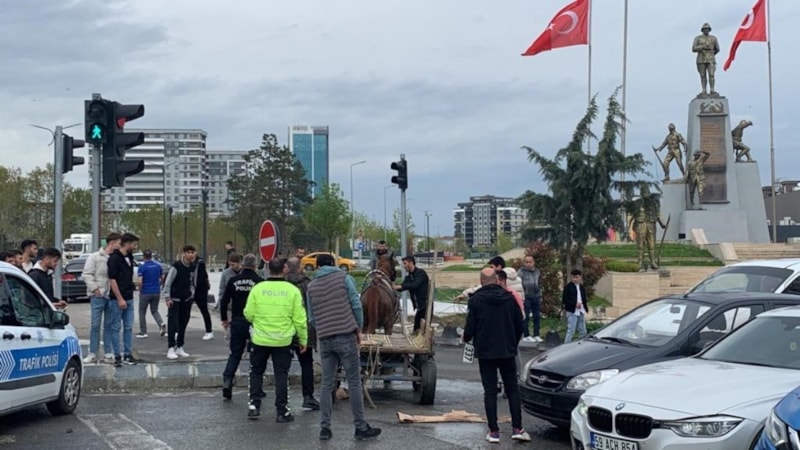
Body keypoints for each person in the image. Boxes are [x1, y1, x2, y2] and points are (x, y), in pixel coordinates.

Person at [307, 253, 381, 441]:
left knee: (327, 384)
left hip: (325, 339)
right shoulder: (344, 278)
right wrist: (358, 328)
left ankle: (325, 428)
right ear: (334, 264)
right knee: (354, 382)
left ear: (317, 267)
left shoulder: (311, 286)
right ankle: (360, 427)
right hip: (346, 335)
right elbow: (356, 305)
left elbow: (312, 318)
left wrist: (323, 329)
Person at [462, 268, 529, 444]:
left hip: (485, 352)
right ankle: (517, 429)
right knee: (512, 389)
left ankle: (493, 432)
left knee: (490, 391)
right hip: (507, 350)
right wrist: (512, 343)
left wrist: (466, 338)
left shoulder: (475, 300)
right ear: (496, 279)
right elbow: (520, 325)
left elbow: (470, 327)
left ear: (481, 281)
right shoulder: (509, 298)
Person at [244, 258, 307, 422]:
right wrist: (303, 339)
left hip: (260, 338)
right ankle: (282, 411)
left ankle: (254, 406)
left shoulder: (258, 288)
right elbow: (300, 319)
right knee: (281, 375)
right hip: (283, 340)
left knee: (256, 371)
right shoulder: (292, 290)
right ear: (284, 269)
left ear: (268, 269)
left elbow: (248, 313)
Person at [220, 254, 263, 400]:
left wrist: (224, 319)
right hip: (255, 322)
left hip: (237, 321)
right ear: (255, 266)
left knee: (235, 353)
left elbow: (224, 301)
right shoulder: (259, 282)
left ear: (243, 265)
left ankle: (228, 379)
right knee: (256, 355)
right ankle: (256, 387)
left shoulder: (234, 280)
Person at [286, 255, 320, 410]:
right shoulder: (308, 284)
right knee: (306, 365)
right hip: (305, 329)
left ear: (287, 268)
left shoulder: (283, 284)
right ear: (300, 267)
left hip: (285, 329)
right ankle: (308, 397)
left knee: (282, 366)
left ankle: (282, 399)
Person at [82, 233, 122, 364]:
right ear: (112, 242)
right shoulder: (95, 257)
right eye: (119, 243)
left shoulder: (116, 258)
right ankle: (92, 352)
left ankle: (108, 351)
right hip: (98, 295)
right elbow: (87, 274)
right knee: (95, 324)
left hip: (111, 296)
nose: (120, 245)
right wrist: (95, 288)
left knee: (108, 325)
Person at [107, 232, 139, 367]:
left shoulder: (130, 257)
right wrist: (119, 298)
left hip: (129, 296)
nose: (135, 247)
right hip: (117, 299)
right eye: (134, 244)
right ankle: (117, 354)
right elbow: (112, 279)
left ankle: (127, 353)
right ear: (127, 244)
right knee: (115, 327)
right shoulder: (114, 258)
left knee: (128, 327)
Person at [162, 245, 199, 359]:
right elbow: (168, 283)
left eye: (192, 252)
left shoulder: (192, 266)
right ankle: (171, 347)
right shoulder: (176, 266)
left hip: (186, 299)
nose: (191, 255)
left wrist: (192, 294)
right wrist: (167, 297)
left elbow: (192, 282)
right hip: (175, 300)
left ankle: (180, 346)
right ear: (184, 253)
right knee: (173, 324)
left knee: (183, 323)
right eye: (188, 252)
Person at [628, 186, 667, 272]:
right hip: (640, 225)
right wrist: (629, 227)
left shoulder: (654, 203)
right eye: (643, 192)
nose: (645, 195)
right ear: (641, 194)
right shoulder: (636, 203)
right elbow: (631, 216)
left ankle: (653, 262)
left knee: (651, 245)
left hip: (651, 225)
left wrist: (662, 224)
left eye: (646, 192)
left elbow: (658, 214)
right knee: (640, 245)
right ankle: (639, 263)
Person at [394, 256, 430, 333]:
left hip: (426, 306)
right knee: (416, 330)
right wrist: (392, 285)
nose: (403, 266)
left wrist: (400, 286)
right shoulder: (409, 277)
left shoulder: (421, 274)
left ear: (411, 263)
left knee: (423, 330)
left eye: (405, 263)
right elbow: (402, 287)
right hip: (419, 307)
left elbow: (415, 285)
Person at [136, 250, 166, 338]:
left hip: (145, 291)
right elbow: (162, 277)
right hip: (156, 291)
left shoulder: (142, 268)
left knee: (142, 311)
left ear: (144, 257)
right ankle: (161, 323)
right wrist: (159, 284)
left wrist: (140, 289)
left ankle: (143, 332)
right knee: (154, 310)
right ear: (151, 256)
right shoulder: (157, 266)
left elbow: (140, 281)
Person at [518, 255, 543, 343]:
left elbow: (540, 283)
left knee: (537, 316)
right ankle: (526, 335)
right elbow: (519, 285)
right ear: (524, 263)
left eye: (530, 262)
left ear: (533, 262)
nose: (528, 264)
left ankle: (536, 334)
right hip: (526, 297)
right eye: (526, 262)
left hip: (536, 296)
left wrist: (540, 295)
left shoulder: (537, 271)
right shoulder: (521, 272)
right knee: (526, 317)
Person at [692, 22, 720, 96]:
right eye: (705, 29)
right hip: (701, 59)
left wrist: (711, 54)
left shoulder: (713, 38)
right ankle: (704, 89)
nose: (706, 30)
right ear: (702, 30)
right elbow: (693, 48)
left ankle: (712, 89)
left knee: (711, 74)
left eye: (707, 29)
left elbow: (717, 49)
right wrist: (702, 47)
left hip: (711, 59)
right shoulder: (698, 38)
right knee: (702, 75)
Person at [563, 269, 589, 343]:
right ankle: (566, 345)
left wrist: (584, 306)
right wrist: (574, 304)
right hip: (572, 311)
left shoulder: (581, 287)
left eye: (577, 277)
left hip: (581, 310)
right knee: (571, 330)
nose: (575, 279)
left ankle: (582, 344)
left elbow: (583, 298)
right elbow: (565, 299)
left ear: (580, 277)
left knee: (583, 329)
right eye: (573, 277)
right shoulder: (568, 287)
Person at [193, 255, 214, 341]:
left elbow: (201, 278)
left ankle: (209, 331)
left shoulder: (200, 264)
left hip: (200, 291)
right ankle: (178, 331)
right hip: (193, 289)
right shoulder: (190, 263)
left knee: (204, 310)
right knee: (184, 312)